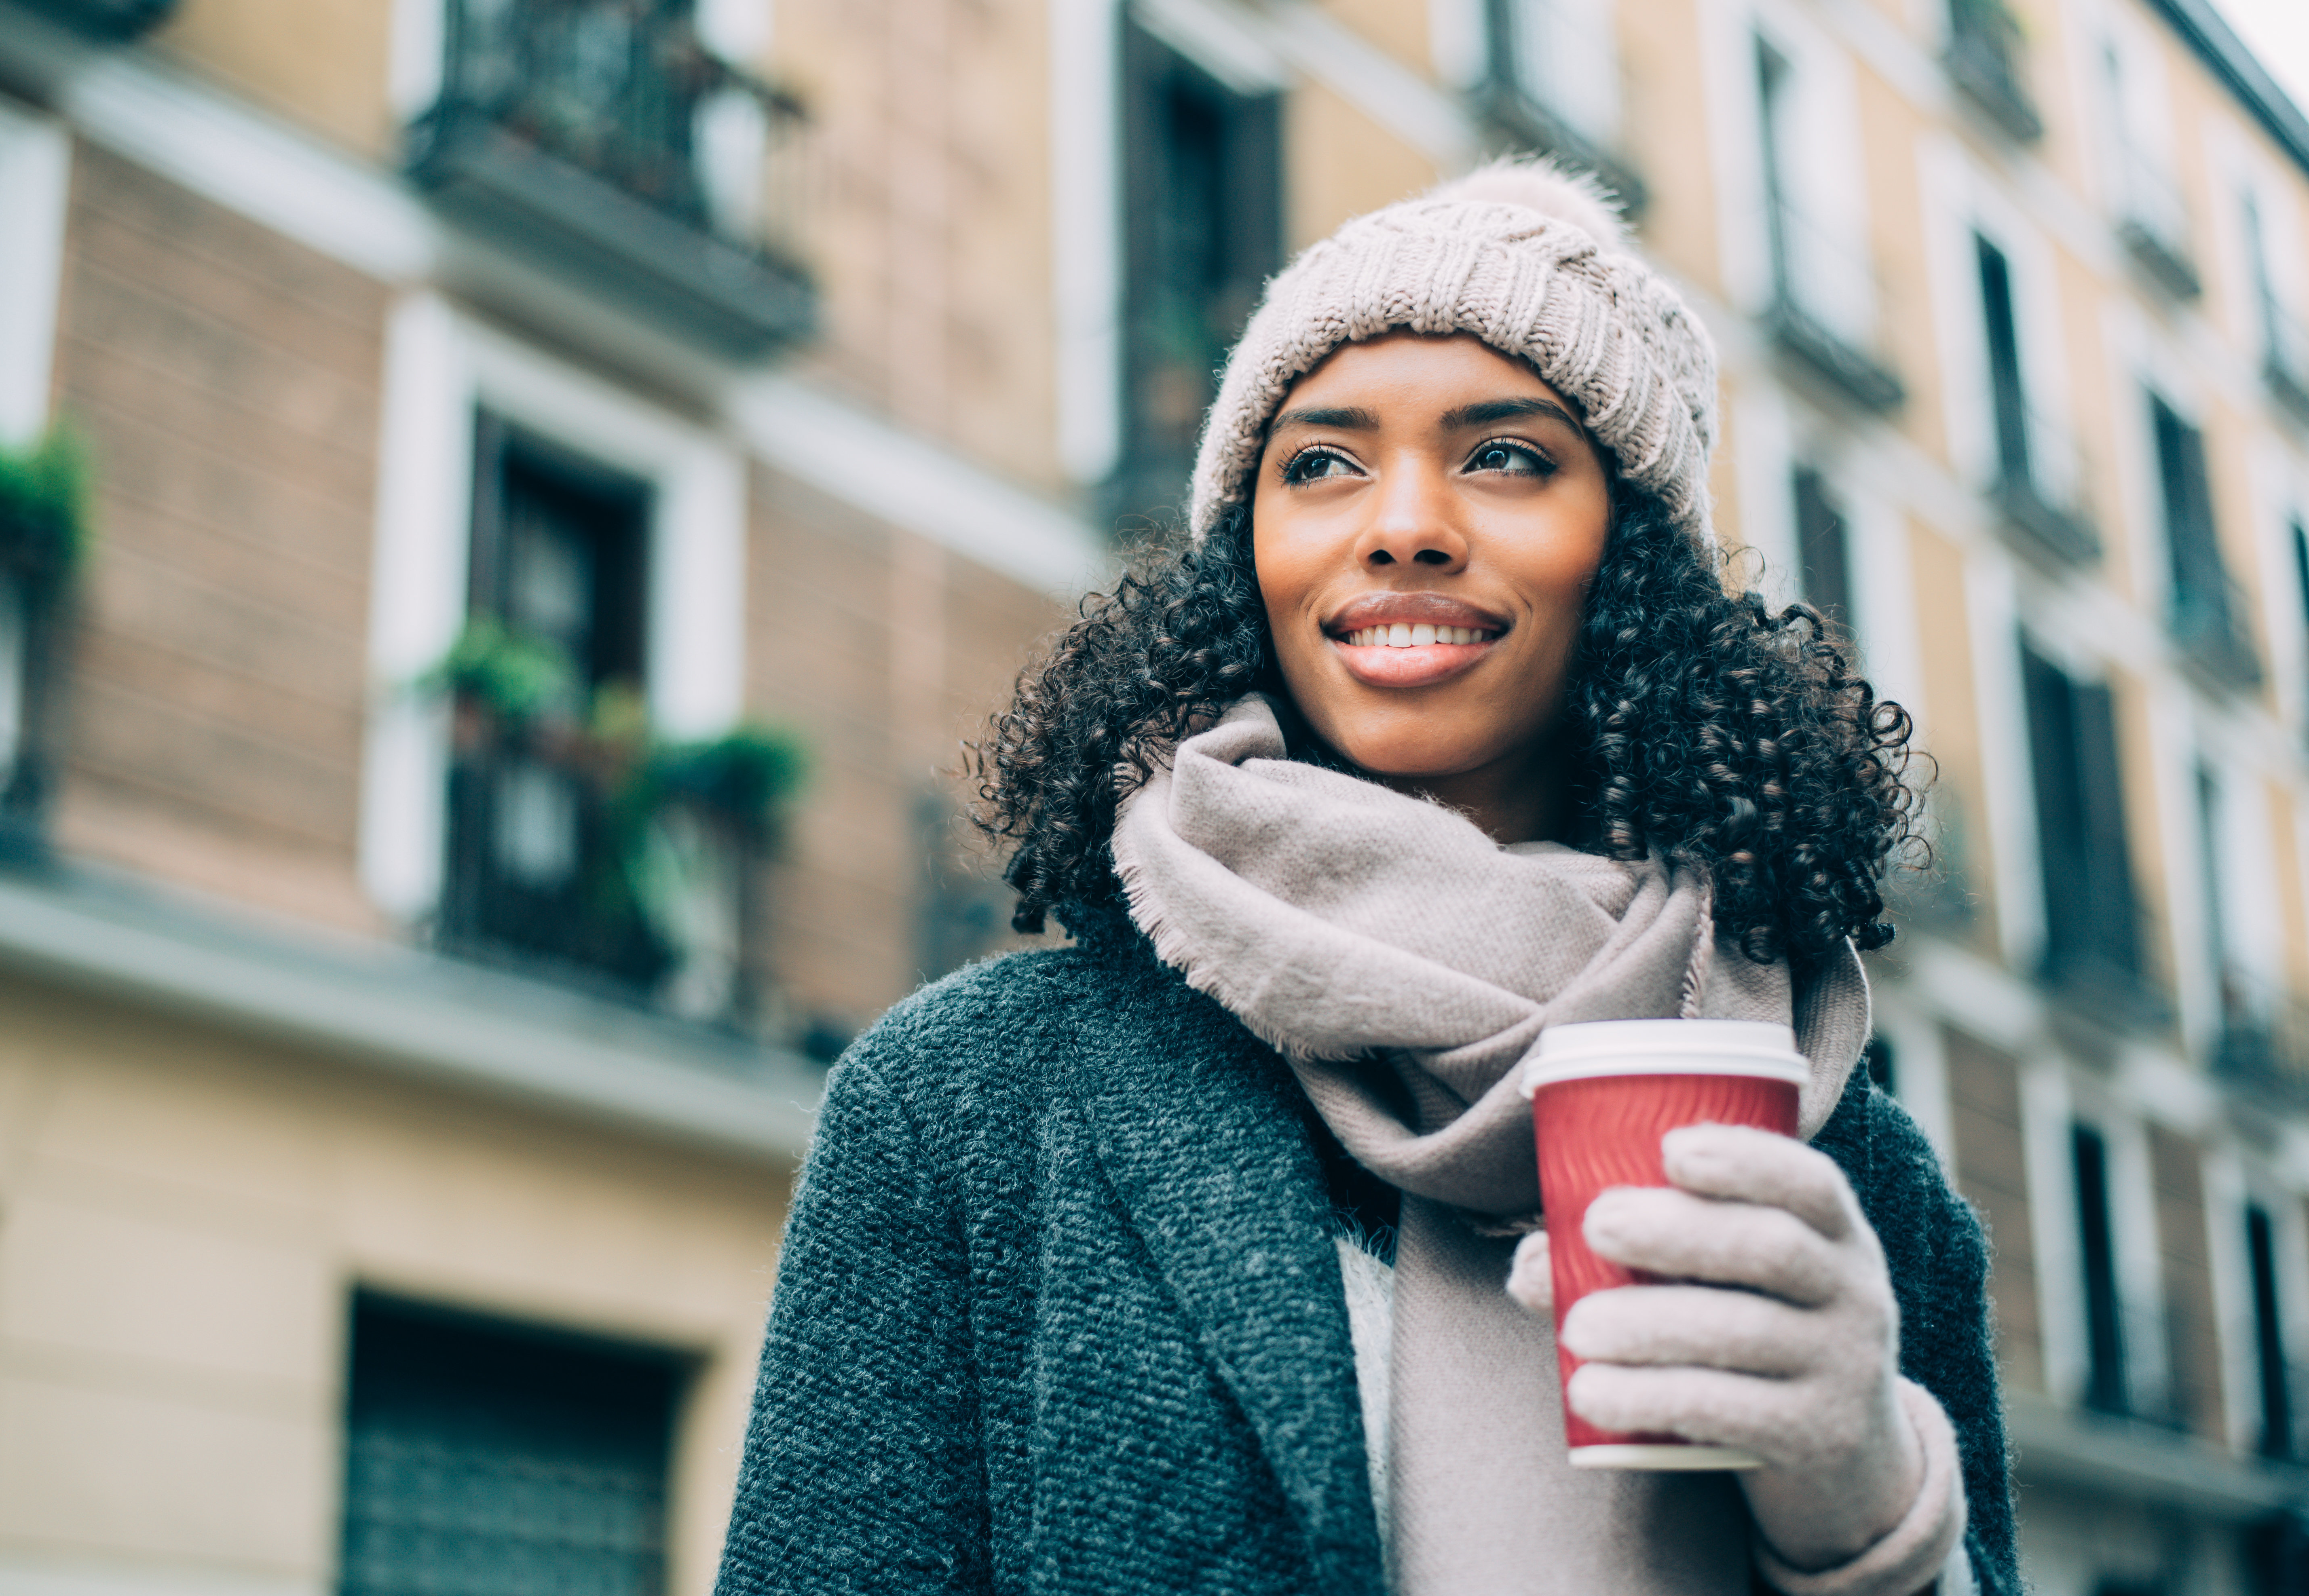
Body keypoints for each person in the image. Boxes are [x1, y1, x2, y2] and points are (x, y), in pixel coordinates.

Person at [716, 161, 2015, 1596]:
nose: (1401, 524)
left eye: (1506, 455)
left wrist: (1872, 1513)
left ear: (1629, 561)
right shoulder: (967, 1103)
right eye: (1322, 463)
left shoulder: (1855, 1169)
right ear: (1247, 559)